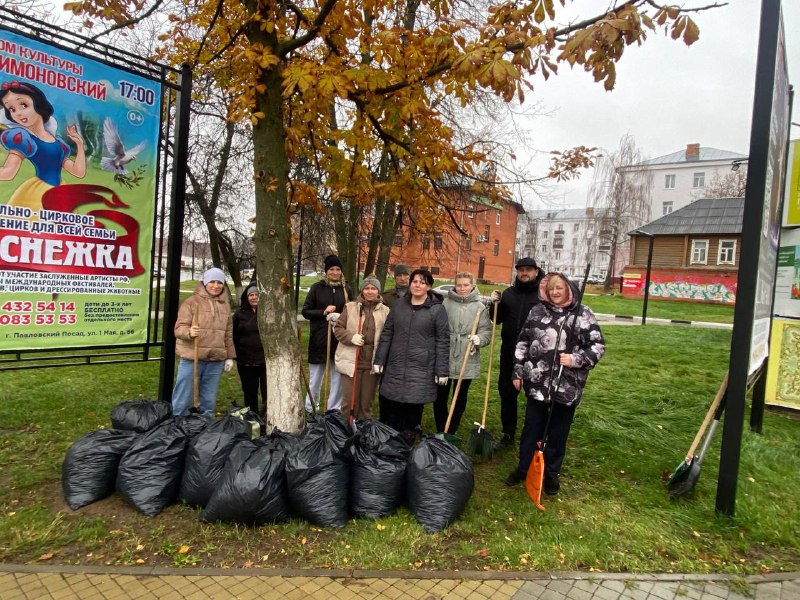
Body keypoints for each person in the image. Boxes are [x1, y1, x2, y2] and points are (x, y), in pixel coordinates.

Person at [505, 273, 605, 495]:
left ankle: (550, 474)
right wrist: (518, 371)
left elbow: (597, 345)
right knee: (532, 430)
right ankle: (524, 469)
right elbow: (523, 341)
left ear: (568, 289)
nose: (555, 292)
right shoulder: (537, 311)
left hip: (566, 387)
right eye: (551, 289)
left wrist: (576, 359)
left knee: (558, 434)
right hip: (537, 383)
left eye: (559, 288)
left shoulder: (582, 314)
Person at [373, 268, 449, 442]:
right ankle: (391, 440)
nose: (417, 285)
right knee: (393, 402)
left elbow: (443, 341)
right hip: (396, 363)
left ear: (428, 287)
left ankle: (409, 437)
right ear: (410, 283)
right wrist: (380, 359)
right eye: (415, 281)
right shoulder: (399, 305)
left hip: (421, 366)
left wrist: (441, 370)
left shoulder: (437, 310)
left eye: (422, 282)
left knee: (414, 405)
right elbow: (387, 332)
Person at [0, 80, 86, 210]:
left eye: (23, 105)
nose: (18, 113)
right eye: (11, 109)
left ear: (38, 103)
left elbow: (78, 172)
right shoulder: (23, 138)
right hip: (37, 195)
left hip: (60, 194)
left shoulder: (58, 143)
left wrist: (80, 144)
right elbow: (8, 173)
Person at [489, 257, 544, 448]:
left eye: (529, 269)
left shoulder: (542, 296)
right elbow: (497, 319)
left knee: (535, 395)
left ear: (536, 271)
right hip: (509, 353)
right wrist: (495, 305)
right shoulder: (509, 294)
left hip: (535, 355)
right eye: (521, 270)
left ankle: (534, 436)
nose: (524, 273)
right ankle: (508, 433)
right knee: (507, 392)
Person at [433, 272, 492, 436]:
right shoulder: (446, 303)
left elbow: (486, 331)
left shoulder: (479, 307)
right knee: (440, 395)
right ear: (454, 285)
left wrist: (479, 339)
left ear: (472, 286)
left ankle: (451, 429)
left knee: (460, 396)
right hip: (447, 351)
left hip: (467, 354)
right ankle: (441, 427)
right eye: (459, 285)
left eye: (466, 285)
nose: (462, 288)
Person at [172, 267, 236, 418]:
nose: (215, 286)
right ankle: (177, 424)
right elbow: (179, 328)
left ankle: (203, 427)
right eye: (212, 282)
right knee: (184, 397)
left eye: (219, 282)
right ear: (205, 283)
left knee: (208, 399)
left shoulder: (225, 305)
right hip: (192, 358)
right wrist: (189, 332)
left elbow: (227, 334)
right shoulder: (191, 302)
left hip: (215, 359)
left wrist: (229, 356)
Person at [333, 275, 390, 421]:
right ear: (362, 290)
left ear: (378, 291)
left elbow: (389, 335)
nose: (369, 291)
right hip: (351, 360)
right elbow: (338, 329)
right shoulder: (351, 307)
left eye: (373, 288)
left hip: (372, 361)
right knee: (348, 402)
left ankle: (363, 432)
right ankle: (345, 431)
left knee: (366, 403)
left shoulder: (386, 311)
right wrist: (351, 337)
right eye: (366, 288)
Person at [301, 254, 353, 412]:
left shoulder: (346, 289)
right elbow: (305, 311)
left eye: (338, 269)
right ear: (326, 271)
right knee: (315, 379)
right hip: (319, 340)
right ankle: (311, 408)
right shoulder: (317, 288)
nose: (335, 272)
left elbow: (353, 312)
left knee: (337, 378)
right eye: (332, 269)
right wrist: (323, 312)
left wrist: (342, 315)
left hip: (338, 342)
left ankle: (333, 410)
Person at [232, 283, 267, 415]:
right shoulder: (239, 315)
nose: (254, 297)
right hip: (246, 361)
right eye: (251, 295)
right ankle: (252, 417)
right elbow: (233, 336)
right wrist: (234, 355)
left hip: (264, 360)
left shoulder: (267, 312)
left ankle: (266, 416)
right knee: (250, 391)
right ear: (246, 298)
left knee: (267, 392)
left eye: (256, 295)